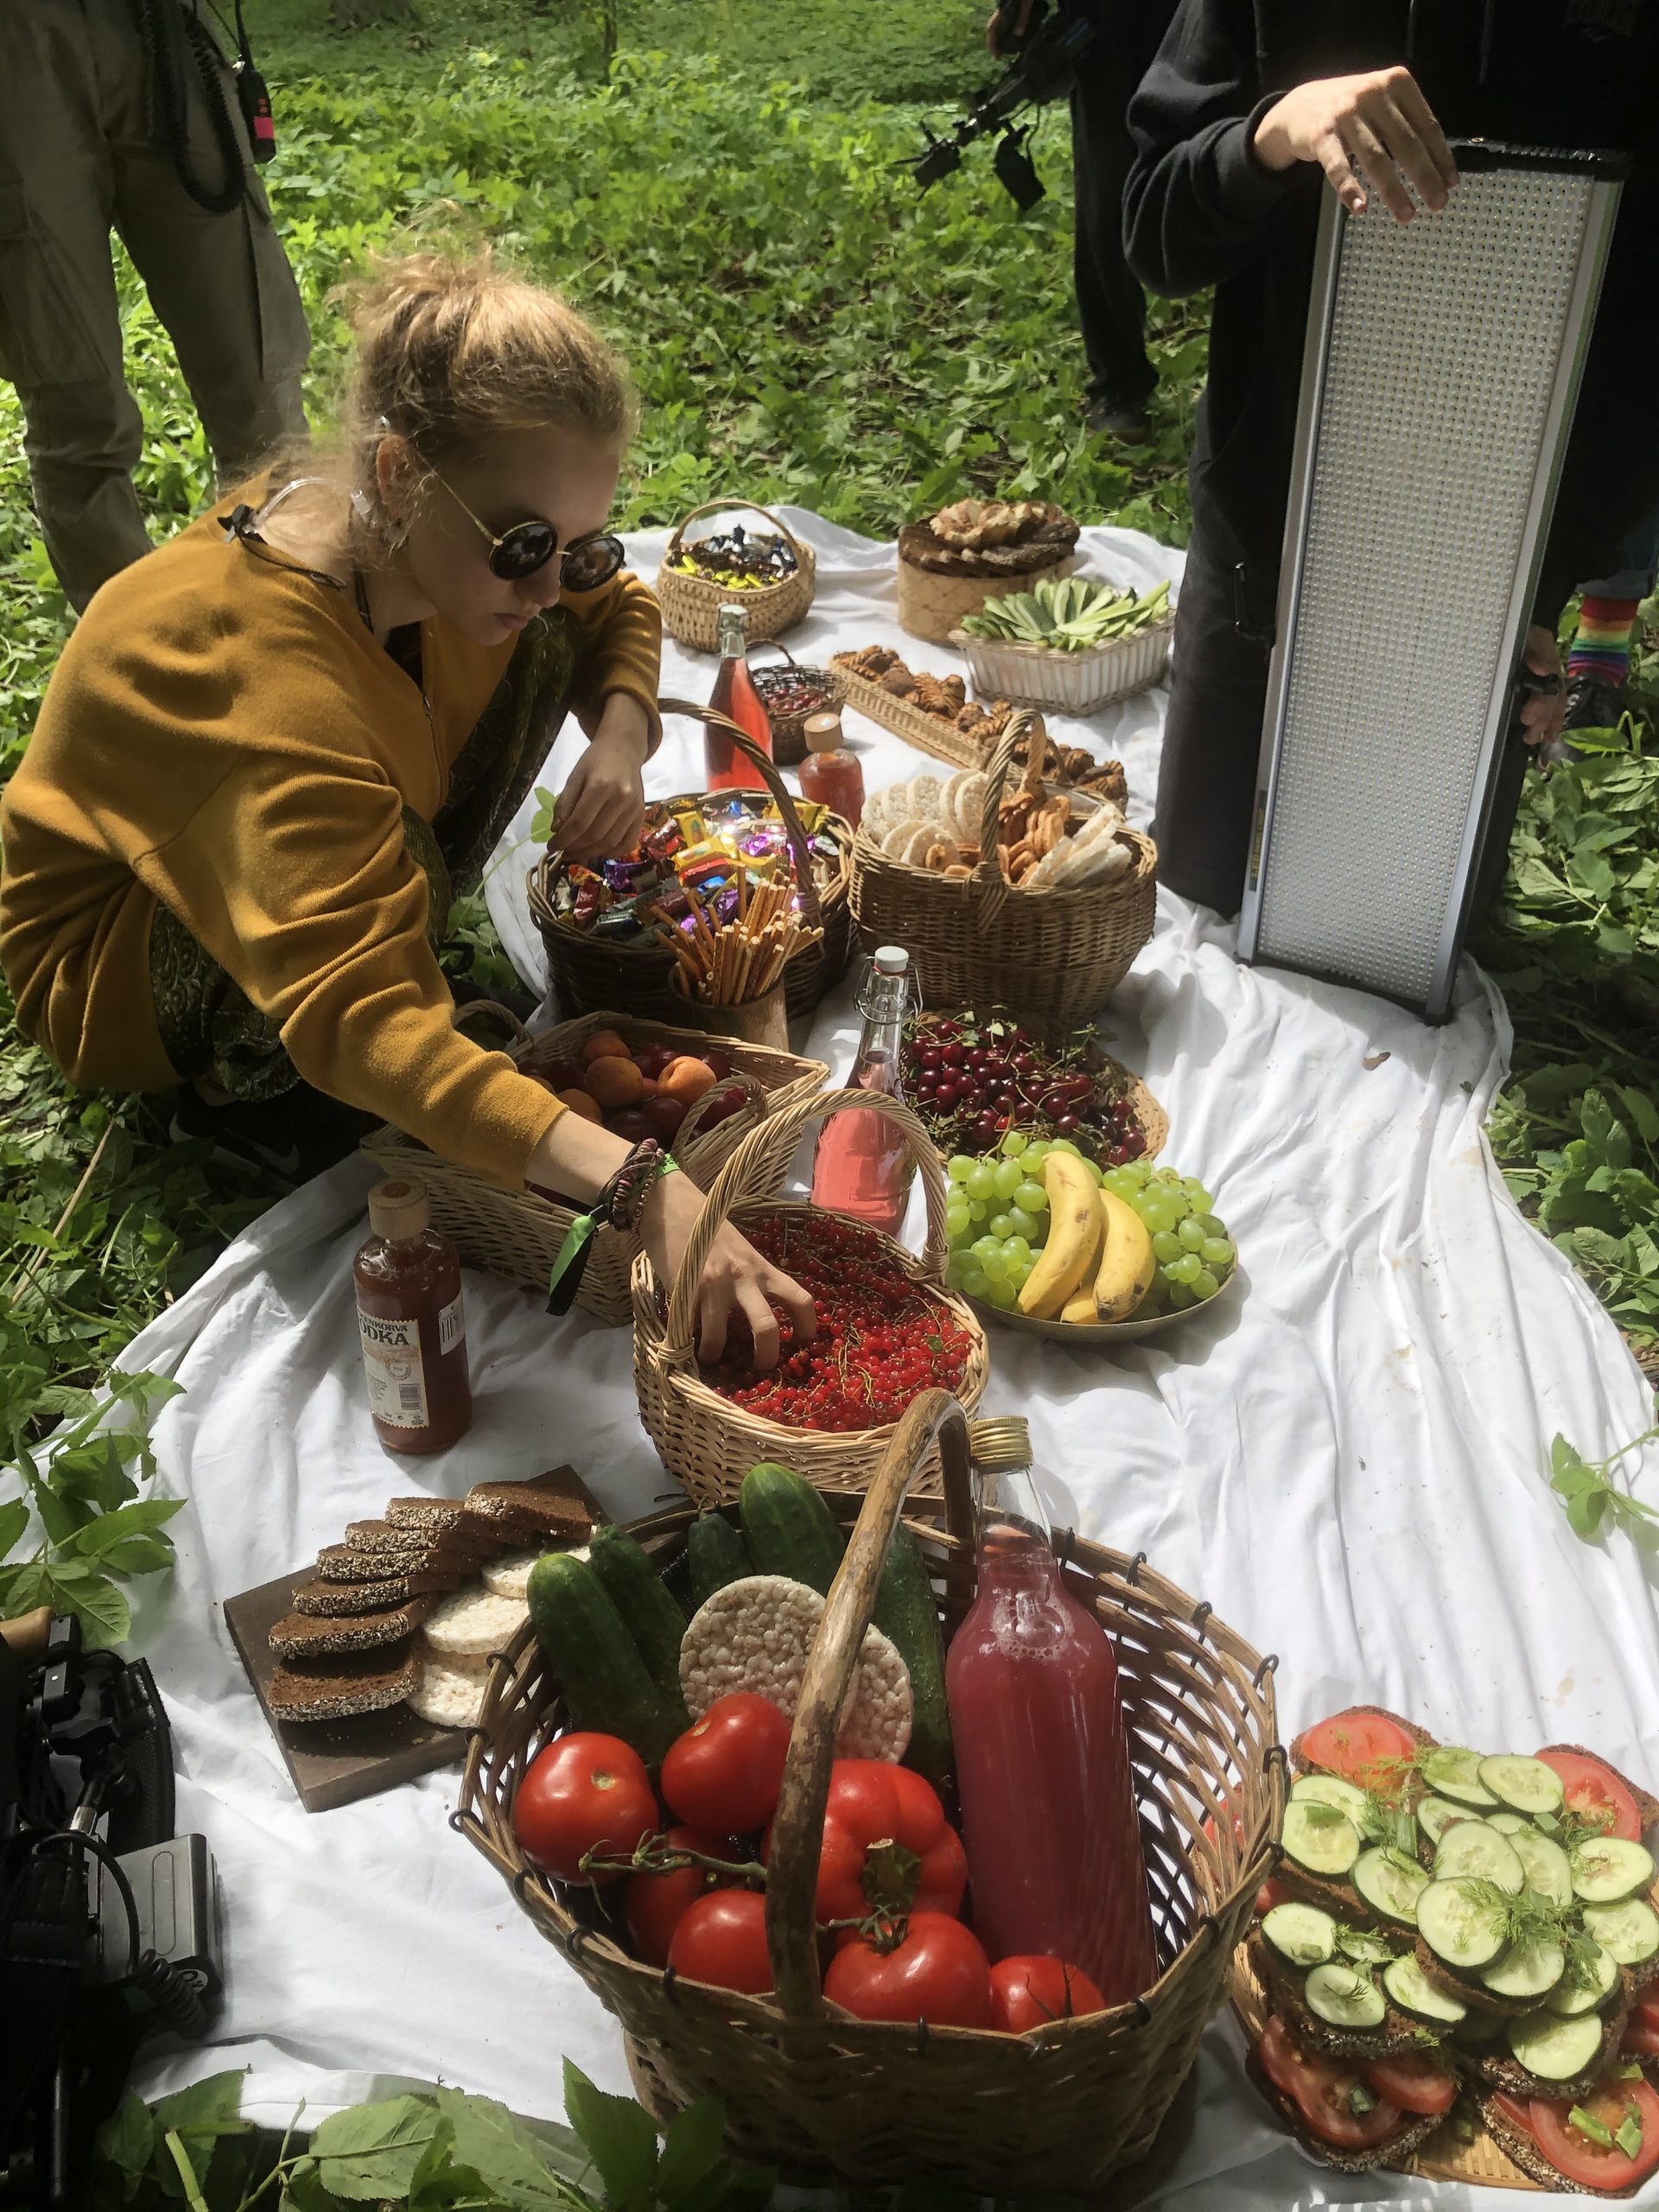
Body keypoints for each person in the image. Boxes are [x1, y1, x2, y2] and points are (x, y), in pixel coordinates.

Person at [0, 250, 814, 1365]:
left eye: (576, 541)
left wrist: (624, 735)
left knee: (535, 650)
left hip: (316, 832)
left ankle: (399, 945)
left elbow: (609, 602)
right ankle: (255, 1093)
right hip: (123, 965)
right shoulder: (270, 696)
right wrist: (643, 1187)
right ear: (396, 473)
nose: (549, 581)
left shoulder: (417, 546)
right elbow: (366, 1020)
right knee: (390, 911)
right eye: (523, 546)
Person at [1122, 0, 1659, 918]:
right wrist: (1270, 136)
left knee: (1404, 932)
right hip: (1268, 548)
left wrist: (1548, 576)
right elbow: (1151, 230)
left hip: (1486, 570)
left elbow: (1643, 342)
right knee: (1197, 904)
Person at [0, 0, 311, 612]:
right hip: (17, 47)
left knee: (262, 391)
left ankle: (289, 621)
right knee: (76, 408)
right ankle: (138, 648)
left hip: (161, 25)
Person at [985, 0, 1177, 442]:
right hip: (1107, 21)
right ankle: (1119, 383)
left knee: (1249, 165)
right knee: (1106, 195)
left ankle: (1261, 373)